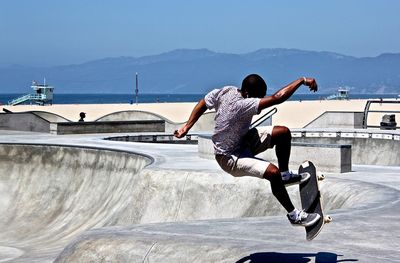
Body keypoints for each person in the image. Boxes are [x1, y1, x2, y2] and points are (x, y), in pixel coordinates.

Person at [174, 74, 320, 227]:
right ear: (248, 95)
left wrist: (186, 126)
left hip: (243, 140)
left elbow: (203, 102)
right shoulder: (243, 104)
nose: (260, 101)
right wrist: (302, 80)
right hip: (229, 157)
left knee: (283, 133)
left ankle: (285, 176)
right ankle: (294, 215)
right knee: (272, 173)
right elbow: (278, 98)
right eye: (259, 97)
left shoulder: (226, 90)